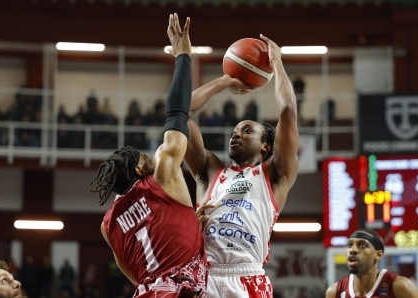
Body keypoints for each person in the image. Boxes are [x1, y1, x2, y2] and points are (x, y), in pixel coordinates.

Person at [90, 13, 207, 298]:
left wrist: (187, 223)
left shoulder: (108, 225)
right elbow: (177, 112)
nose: (151, 160)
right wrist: (184, 57)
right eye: (145, 158)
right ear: (140, 170)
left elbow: (136, 275)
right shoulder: (164, 173)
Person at [187, 34, 299, 298]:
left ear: (266, 147)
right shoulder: (211, 171)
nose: (236, 134)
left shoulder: (275, 175)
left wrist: (277, 63)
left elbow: (288, 111)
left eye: (247, 130)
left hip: (248, 277)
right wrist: (226, 80)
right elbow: (181, 113)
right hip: (205, 274)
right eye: (235, 131)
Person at [325, 229, 418, 298]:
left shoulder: (400, 286)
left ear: (378, 254)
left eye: (362, 245)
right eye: (349, 245)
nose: (353, 250)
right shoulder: (334, 292)